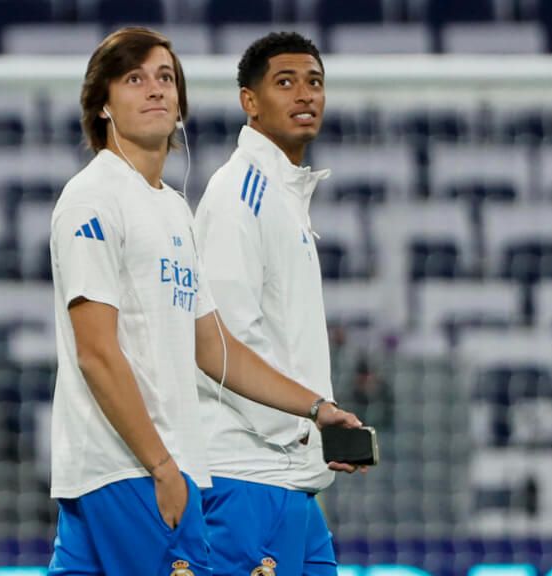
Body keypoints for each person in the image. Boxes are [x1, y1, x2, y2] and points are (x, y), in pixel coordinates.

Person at [47, 27, 361, 576]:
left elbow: (213, 346)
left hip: (148, 472)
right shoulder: (93, 198)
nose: (155, 90)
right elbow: (95, 352)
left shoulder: (172, 208)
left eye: (165, 78)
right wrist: (164, 467)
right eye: (134, 78)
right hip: (133, 473)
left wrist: (315, 408)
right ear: (101, 105)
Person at [194, 32, 357, 576]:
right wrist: (309, 421)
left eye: (314, 82)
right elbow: (222, 343)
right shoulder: (239, 193)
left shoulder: (283, 195)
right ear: (250, 101)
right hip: (245, 477)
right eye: (284, 82)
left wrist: (315, 434)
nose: (305, 94)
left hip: (291, 481)